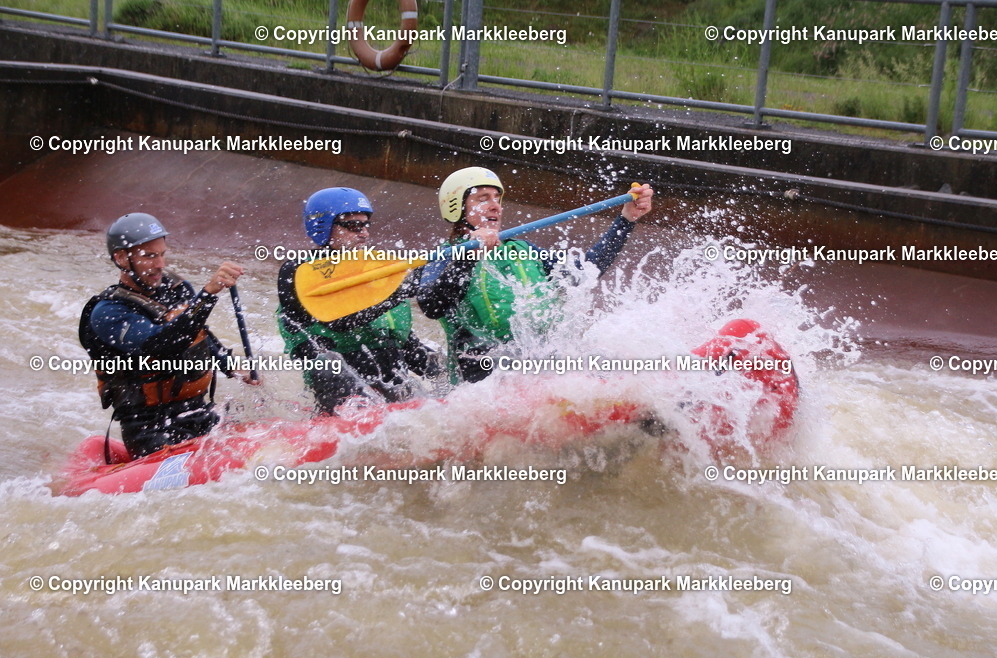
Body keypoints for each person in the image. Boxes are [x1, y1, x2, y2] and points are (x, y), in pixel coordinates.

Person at [418, 167, 654, 383]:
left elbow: (587, 271)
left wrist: (626, 220)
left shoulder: (524, 250)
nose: (495, 206)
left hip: (538, 362)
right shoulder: (445, 256)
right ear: (457, 207)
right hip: (482, 374)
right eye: (483, 199)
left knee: (616, 367)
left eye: (497, 199)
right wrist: (468, 256)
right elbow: (431, 305)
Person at [79, 213, 258, 461]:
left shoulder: (177, 289)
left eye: (162, 254)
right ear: (121, 258)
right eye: (150, 256)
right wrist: (207, 296)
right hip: (148, 427)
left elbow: (197, 333)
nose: (160, 264)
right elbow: (160, 345)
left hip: (196, 411)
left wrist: (232, 366)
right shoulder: (108, 312)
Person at [277, 187, 440, 413]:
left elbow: (405, 342)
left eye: (366, 225)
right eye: (353, 226)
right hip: (340, 385)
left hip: (390, 378)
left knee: (429, 367)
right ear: (324, 226)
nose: (364, 233)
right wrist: (400, 291)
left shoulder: (376, 273)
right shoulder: (298, 272)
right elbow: (339, 322)